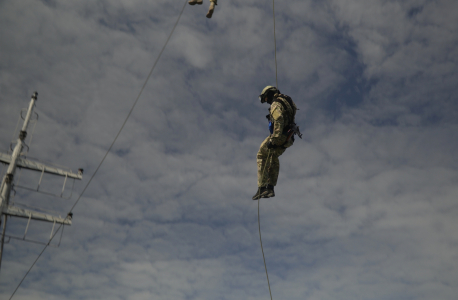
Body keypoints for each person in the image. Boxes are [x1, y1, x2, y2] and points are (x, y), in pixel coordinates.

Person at [252, 86, 300, 200]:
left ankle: (262, 188)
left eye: (264, 99)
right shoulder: (287, 101)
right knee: (273, 157)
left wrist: (274, 140)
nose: (265, 101)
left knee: (261, 155)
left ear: (268, 95)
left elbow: (278, 119)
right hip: (288, 138)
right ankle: (270, 188)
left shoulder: (275, 104)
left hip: (280, 136)